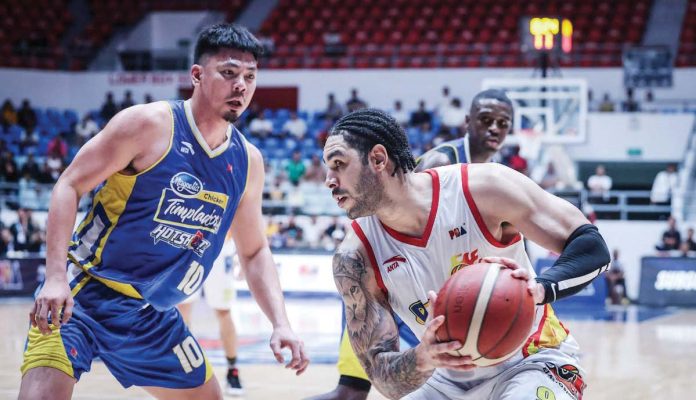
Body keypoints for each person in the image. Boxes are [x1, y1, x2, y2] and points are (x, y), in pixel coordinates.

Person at [19, 23, 308, 400]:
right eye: (229, 73)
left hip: (151, 315)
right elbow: (68, 184)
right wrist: (55, 276)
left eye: (250, 76)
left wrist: (280, 322)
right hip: (85, 293)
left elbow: (254, 252)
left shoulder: (248, 161)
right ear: (197, 76)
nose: (241, 86)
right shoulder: (147, 125)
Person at [320, 109, 609, 400]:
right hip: (444, 379)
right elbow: (383, 379)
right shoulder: (354, 257)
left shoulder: (483, 188)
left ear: (379, 159)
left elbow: (591, 247)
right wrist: (424, 356)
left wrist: (540, 289)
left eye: (339, 164)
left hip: (532, 359)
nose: (329, 180)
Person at [311, 90, 514, 400]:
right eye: (486, 120)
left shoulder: (494, 173)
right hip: (400, 274)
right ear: (467, 122)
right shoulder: (443, 160)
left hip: (436, 286)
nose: (494, 129)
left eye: (503, 123)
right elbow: (408, 225)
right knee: (359, 371)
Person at [177, 229, 244, 396]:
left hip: (221, 244)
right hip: (190, 244)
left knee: (224, 310)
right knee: (182, 310)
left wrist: (243, 255)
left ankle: (232, 370)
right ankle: (184, 370)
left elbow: (242, 213)